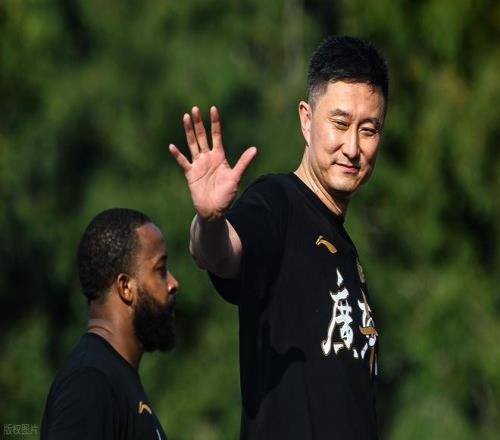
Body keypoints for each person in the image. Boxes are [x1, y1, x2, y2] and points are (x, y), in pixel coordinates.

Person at [169, 35, 388, 439]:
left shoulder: (346, 250)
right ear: (306, 119)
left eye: (369, 130)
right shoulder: (277, 202)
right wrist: (210, 220)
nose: (353, 147)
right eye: (340, 124)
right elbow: (220, 253)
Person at [41, 208, 179, 440]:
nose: (173, 283)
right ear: (125, 287)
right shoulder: (89, 382)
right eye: (160, 270)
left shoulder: (113, 377)